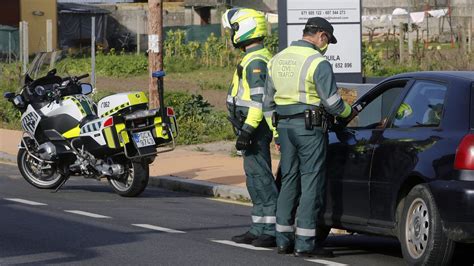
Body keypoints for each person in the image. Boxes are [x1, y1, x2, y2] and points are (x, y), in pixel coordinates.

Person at [263, 17, 358, 257]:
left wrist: (275, 133)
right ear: (322, 36)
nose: (327, 45)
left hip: (284, 129)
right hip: (310, 130)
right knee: (311, 183)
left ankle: (283, 240)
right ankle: (305, 243)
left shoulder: (276, 60)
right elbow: (333, 103)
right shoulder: (318, 62)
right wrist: (352, 113)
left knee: (288, 181)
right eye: (328, 41)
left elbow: (266, 105)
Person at [221, 8, 279, 247]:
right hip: (249, 127)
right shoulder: (253, 56)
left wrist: (246, 131)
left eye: (233, 29)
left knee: (262, 178)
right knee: (254, 179)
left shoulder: (256, 61)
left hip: (254, 129)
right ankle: (258, 228)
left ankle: (272, 230)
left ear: (243, 30)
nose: (231, 35)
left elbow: (259, 102)